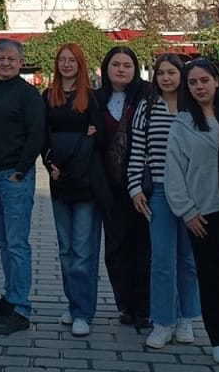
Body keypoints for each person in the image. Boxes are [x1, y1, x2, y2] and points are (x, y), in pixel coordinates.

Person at [164, 58, 219, 364]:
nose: (199, 87)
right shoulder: (182, 124)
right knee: (211, 276)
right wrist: (187, 211)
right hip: (203, 212)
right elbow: (173, 173)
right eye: (192, 82)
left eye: (204, 80)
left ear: (217, 81)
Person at [128, 54, 201, 349]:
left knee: (188, 259)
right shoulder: (147, 108)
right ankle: (162, 321)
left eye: (172, 72)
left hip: (192, 193)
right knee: (161, 260)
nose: (166, 78)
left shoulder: (194, 108)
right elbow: (137, 150)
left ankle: (187, 318)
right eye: (161, 73)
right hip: (158, 192)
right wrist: (134, 187)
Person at [41, 44, 109, 337]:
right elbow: (43, 135)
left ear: (80, 64)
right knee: (66, 249)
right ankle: (73, 303)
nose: (67, 64)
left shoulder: (91, 97)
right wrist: (49, 163)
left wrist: (78, 143)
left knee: (83, 251)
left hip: (85, 183)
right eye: (62, 60)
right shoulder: (48, 96)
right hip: (58, 181)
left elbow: (98, 136)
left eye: (72, 60)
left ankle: (84, 311)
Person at [0, 38, 45, 335]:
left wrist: (20, 171)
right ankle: (8, 298)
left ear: (21, 61)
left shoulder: (28, 95)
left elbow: (36, 135)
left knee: (18, 244)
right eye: (0, 58)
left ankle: (21, 309)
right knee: (3, 242)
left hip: (14, 178)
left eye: (11, 59)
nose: (5, 63)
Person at [96, 46, 151, 329]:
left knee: (144, 247)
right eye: (115, 64)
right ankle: (125, 304)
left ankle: (145, 306)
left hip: (143, 186)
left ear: (135, 68)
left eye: (127, 64)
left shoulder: (148, 96)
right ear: (106, 68)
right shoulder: (97, 99)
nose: (121, 69)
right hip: (110, 186)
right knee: (116, 248)